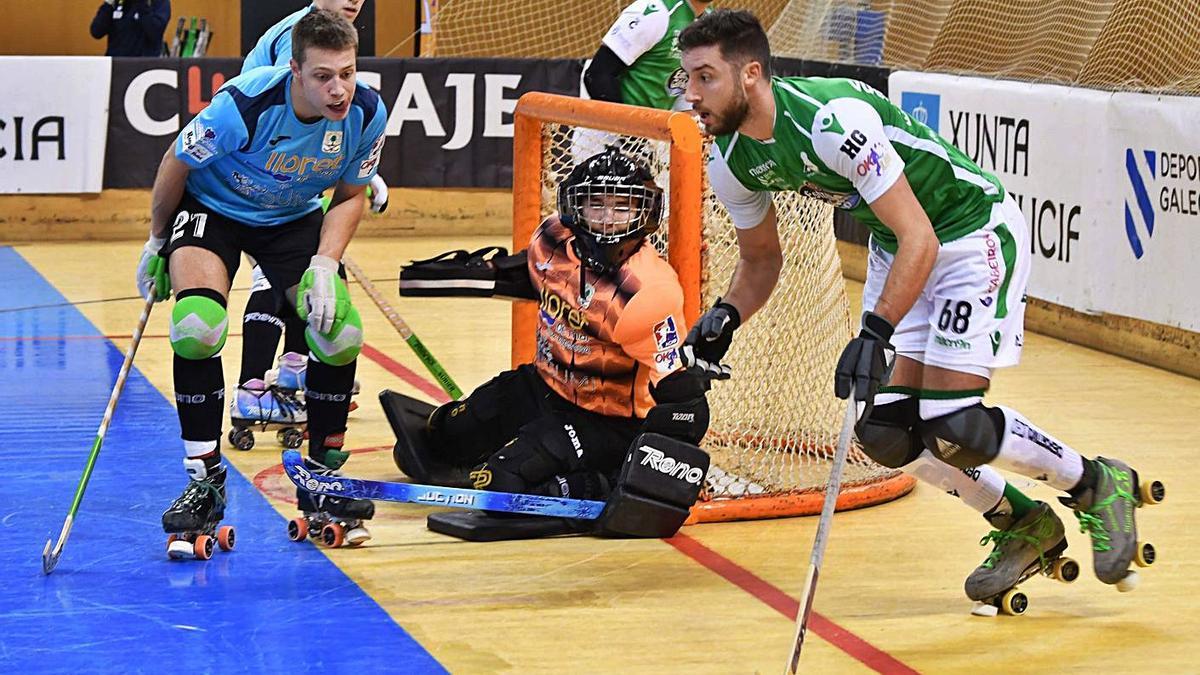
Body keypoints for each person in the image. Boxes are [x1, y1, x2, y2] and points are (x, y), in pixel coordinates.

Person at [676, 9, 1159, 602]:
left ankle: (1094, 483)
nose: (691, 94)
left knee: (954, 423)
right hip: (898, 245)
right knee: (883, 432)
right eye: (688, 79)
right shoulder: (730, 158)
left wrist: (876, 330)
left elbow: (923, 238)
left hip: (968, 232)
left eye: (705, 77)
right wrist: (726, 316)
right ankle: (1021, 522)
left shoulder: (831, 122)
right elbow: (760, 261)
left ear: (751, 74)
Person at [136, 10, 389, 555]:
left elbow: (350, 194)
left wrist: (324, 263)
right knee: (198, 327)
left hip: (291, 218)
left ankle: (321, 478)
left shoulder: (366, 111)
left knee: (339, 335)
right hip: (214, 209)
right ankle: (204, 482)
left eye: (346, 73)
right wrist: (159, 241)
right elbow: (175, 162)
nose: (338, 88)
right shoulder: (245, 104)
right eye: (323, 76)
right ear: (294, 69)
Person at [383, 147, 711, 541]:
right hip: (543, 384)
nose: (608, 220)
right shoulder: (553, 238)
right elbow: (534, 274)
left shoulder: (648, 292)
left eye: (622, 207)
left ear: (645, 213)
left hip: (605, 421)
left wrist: (655, 478)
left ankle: (603, 480)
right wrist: (471, 275)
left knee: (498, 488)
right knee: (437, 438)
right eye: (596, 206)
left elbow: (678, 392)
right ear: (576, 207)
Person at [232, 0, 384, 435]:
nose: (353, 0)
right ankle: (253, 388)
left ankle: (296, 368)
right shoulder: (301, 36)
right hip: (263, 175)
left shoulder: (331, 37)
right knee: (276, 280)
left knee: (318, 277)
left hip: (295, 175)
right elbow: (299, 119)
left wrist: (363, 172)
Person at [572, 0, 712, 163]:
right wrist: (631, 139)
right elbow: (597, 76)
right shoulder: (657, 12)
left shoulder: (709, 25)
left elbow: (683, 92)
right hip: (607, 136)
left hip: (652, 139)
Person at [90, 0, 171, 57]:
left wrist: (141, 5)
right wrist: (108, 4)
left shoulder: (158, 2)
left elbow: (155, 32)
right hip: (115, 66)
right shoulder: (117, 3)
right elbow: (96, 32)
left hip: (143, 66)